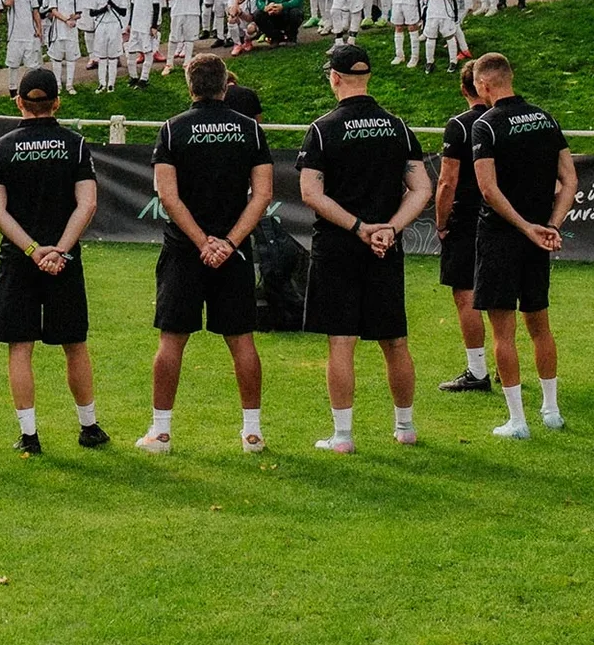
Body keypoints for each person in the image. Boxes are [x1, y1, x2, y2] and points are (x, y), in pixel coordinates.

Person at [296, 44, 433, 453]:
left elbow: (310, 193)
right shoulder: (398, 127)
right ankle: (405, 426)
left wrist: (359, 227)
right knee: (395, 340)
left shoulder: (323, 128)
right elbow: (421, 188)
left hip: (339, 245)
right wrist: (389, 228)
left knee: (342, 340)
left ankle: (342, 435)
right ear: (367, 77)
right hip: (385, 247)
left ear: (334, 78)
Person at [140, 54, 274, 455]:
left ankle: (160, 433)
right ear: (224, 86)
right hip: (232, 252)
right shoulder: (249, 130)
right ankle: (252, 433)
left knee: (172, 339)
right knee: (241, 340)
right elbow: (263, 194)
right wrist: (229, 243)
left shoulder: (172, 129)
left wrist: (202, 242)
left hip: (185, 249)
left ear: (190, 86)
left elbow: (168, 195)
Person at [0, 68, 107, 454]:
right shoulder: (76, 144)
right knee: (74, 343)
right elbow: (87, 203)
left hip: (19, 259)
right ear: (57, 102)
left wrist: (33, 250)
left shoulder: (1, 147)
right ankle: (88, 427)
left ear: (19, 101)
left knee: (20, 346)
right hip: (64, 260)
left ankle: (29, 435)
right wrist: (60, 250)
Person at [468, 53, 574, 439]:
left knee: (503, 332)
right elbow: (570, 181)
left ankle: (517, 420)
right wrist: (550, 225)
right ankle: (551, 410)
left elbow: (488, 189)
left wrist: (526, 227)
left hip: (501, 236)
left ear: (484, 86)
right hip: (537, 236)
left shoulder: (486, 126)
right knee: (540, 326)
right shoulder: (545, 118)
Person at [431, 61, 493, 393]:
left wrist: (441, 223)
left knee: (465, 293)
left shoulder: (460, 125)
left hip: (468, 217)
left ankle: (478, 370)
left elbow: (446, 182)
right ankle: (503, 364)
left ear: (463, 88)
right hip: (504, 216)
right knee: (499, 294)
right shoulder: (503, 120)